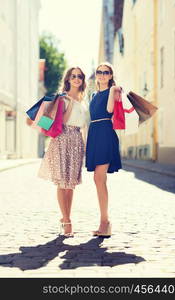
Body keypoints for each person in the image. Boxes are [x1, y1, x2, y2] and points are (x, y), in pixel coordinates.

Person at [38, 66, 87, 237]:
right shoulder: (62, 98)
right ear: (67, 79)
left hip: (76, 140)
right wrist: (71, 103)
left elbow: (84, 124)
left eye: (79, 76)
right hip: (62, 139)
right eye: (73, 76)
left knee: (70, 184)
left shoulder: (83, 100)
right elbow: (63, 121)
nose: (76, 79)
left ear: (82, 79)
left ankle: (67, 216)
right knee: (61, 182)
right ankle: (67, 221)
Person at [85, 62, 122, 238]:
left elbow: (109, 110)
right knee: (97, 178)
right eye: (99, 72)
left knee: (100, 177)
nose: (102, 75)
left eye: (106, 72)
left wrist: (113, 89)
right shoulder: (93, 94)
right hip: (94, 135)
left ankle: (105, 222)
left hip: (106, 134)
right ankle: (104, 221)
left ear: (110, 75)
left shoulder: (112, 92)